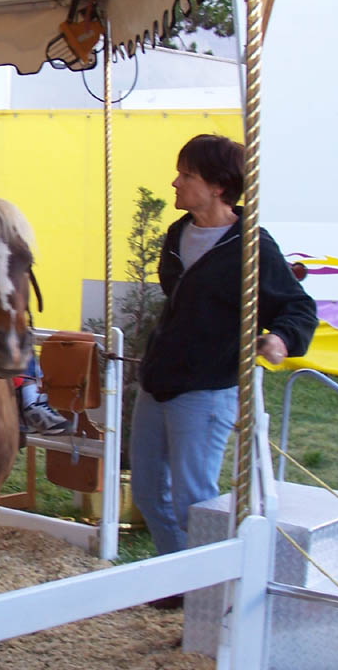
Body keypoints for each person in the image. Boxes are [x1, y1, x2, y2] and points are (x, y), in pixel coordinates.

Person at [130, 134, 316, 605]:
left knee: (194, 501)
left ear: (217, 186)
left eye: (187, 175)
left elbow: (297, 306)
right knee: (148, 492)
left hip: (206, 388)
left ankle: (212, 606)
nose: (175, 182)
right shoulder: (177, 234)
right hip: (159, 380)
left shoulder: (251, 245)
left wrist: (281, 338)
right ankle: (182, 584)